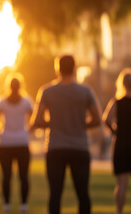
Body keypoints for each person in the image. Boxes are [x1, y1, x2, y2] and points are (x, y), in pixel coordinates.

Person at [31, 55, 101, 214]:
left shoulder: (47, 91)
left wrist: (55, 122)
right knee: (83, 193)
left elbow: (37, 120)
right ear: (75, 68)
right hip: (80, 148)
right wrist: (80, 123)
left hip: (55, 148)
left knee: (55, 194)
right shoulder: (85, 91)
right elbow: (97, 119)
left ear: (57, 69)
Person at [0, 73, 33, 213]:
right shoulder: (26, 102)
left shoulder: (2, 102)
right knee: (23, 176)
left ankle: (7, 205)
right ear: (20, 86)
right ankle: (23, 205)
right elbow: (34, 120)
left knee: (6, 176)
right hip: (22, 143)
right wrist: (27, 131)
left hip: (5, 144)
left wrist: (1, 133)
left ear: (8, 86)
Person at [103, 68, 131, 214]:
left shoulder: (117, 102)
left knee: (121, 183)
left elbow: (106, 119)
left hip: (121, 143)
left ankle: (119, 212)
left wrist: (115, 131)